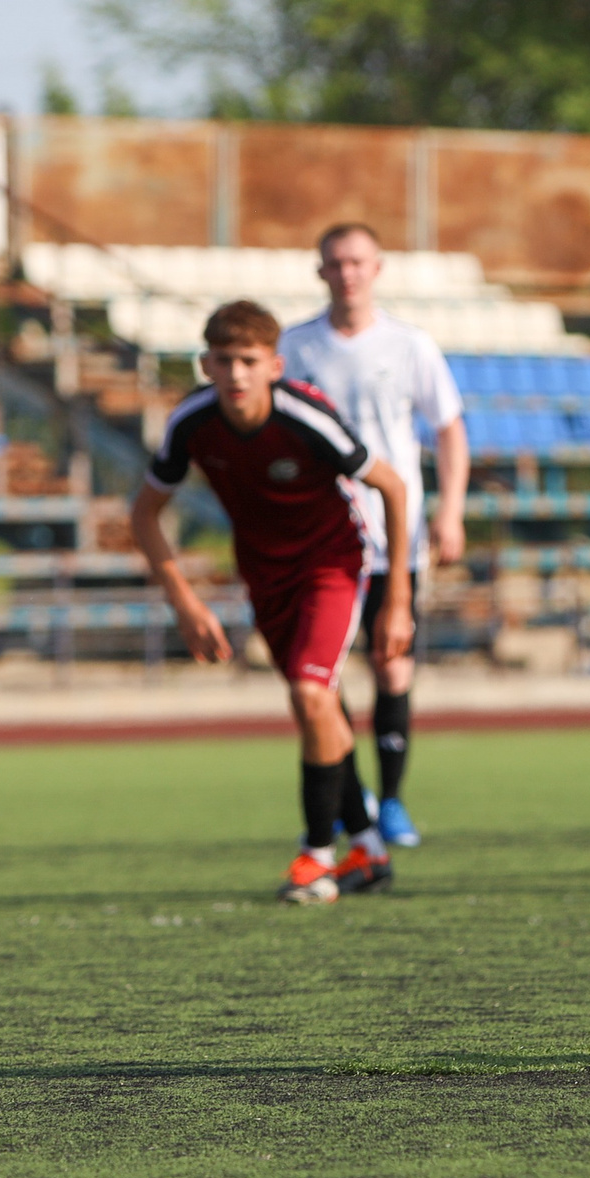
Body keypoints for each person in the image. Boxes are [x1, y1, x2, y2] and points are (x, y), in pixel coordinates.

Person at [131, 301, 417, 903]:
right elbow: (145, 512)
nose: (236, 374)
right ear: (205, 365)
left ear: (274, 366)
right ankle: (368, 850)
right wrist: (185, 603)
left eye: (249, 361)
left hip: (332, 563)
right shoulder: (191, 423)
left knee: (310, 694)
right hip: (264, 575)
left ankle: (317, 857)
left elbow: (391, 486)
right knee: (319, 708)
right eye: (224, 361)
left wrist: (398, 598)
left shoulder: (304, 416)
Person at [278, 223, 470, 850]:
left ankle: (390, 800)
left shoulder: (409, 345)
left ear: (377, 268)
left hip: (394, 537)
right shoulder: (295, 347)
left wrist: (450, 510)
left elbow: (449, 427)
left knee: (392, 666)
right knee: (322, 676)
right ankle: (349, 796)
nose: (347, 274)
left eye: (357, 262)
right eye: (336, 263)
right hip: (323, 540)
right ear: (320, 272)